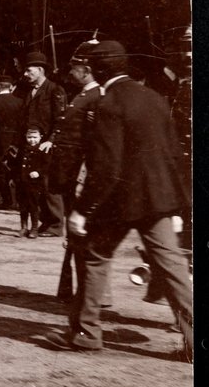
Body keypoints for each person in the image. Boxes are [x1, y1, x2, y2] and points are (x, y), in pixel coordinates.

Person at [56, 41, 193, 361]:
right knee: (172, 267)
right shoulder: (155, 98)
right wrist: (176, 206)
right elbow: (172, 153)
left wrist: (83, 210)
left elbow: (107, 167)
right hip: (158, 199)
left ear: (100, 70)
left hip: (119, 202)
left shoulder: (107, 104)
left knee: (95, 257)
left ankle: (87, 332)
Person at [48, 41, 104, 302]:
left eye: (75, 67)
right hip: (69, 176)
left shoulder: (95, 97)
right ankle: (78, 291)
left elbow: (92, 143)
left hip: (78, 177)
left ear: (87, 69)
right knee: (75, 238)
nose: (71, 72)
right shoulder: (83, 95)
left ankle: (87, 294)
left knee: (82, 238)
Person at [20, 51, 67, 236]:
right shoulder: (29, 91)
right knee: (35, 185)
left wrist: (51, 140)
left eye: (29, 70)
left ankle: (56, 225)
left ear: (40, 70)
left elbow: (61, 119)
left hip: (48, 146)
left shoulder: (55, 90)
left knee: (49, 185)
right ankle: (46, 222)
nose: (25, 74)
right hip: (33, 145)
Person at [0, 75, 23, 210]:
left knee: (2, 172)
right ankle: (20, 202)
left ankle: (7, 201)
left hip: (0, 141)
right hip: (18, 140)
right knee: (18, 170)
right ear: (12, 87)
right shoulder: (20, 102)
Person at [16, 128, 49, 238]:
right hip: (21, 182)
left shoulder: (42, 150)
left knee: (33, 206)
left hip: (34, 184)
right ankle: (24, 227)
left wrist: (38, 172)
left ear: (40, 138)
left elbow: (47, 165)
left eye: (35, 137)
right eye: (29, 137)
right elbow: (15, 165)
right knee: (23, 206)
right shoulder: (22, 149)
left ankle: (34, 228)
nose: (32, 140)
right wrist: (13, 178)